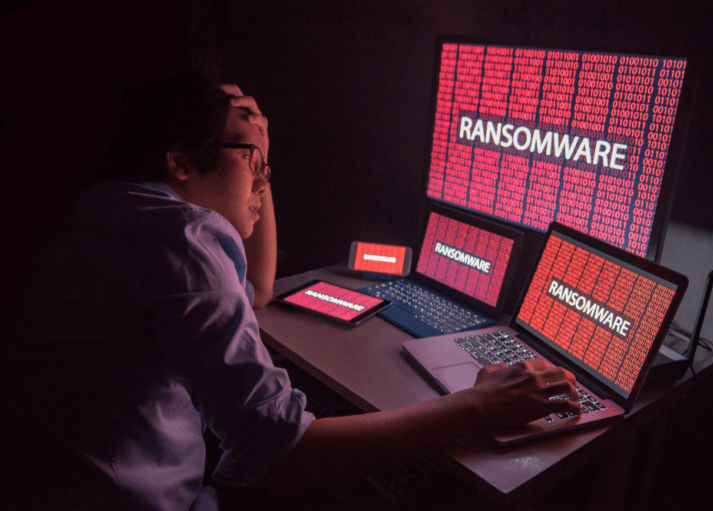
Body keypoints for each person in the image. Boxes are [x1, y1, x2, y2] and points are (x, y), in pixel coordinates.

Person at [1, 69, 581, 511]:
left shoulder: (113, 210)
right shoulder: (181, 237)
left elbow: (255, 287)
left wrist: (256, 150)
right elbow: (281, 454)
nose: (261, 180)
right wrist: (476, 404)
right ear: (179, 160)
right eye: (251, 158)